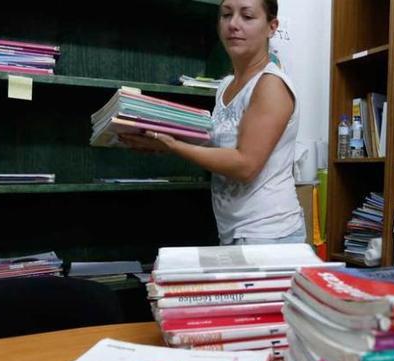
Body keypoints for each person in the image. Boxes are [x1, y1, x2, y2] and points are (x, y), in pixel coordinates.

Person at [119, 0, 305, 246]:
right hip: (233, 231)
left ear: (272, 27)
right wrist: (159, 135)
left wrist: (173, 146)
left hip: (269, 233)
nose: (233, 24)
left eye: (247, 16)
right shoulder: (226, 85)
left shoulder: (271, 84)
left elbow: (245, 165)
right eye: (226, 15)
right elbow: (220, 149)